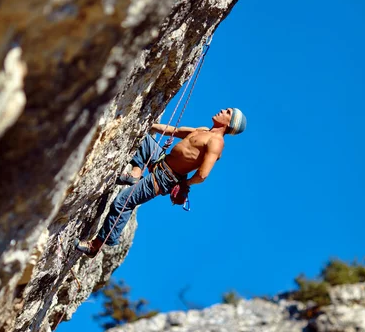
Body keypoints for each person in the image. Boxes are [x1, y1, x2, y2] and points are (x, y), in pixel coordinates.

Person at [74, 107, 246, 258]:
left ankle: (95, 246)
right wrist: (148, 125)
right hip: (161, 161)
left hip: (165, 178)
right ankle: (135, 173)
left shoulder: (216, 142)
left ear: (230, 124)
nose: (222, 110)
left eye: (228, 112)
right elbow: (175, 131)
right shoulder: (203, 131)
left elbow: (202, 174)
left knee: (123, 202)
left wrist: (186, 185)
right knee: (144, 138)